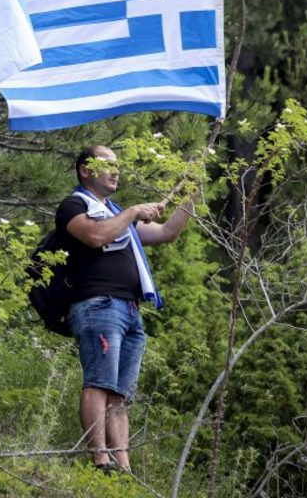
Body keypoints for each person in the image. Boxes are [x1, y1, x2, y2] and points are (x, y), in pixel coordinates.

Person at [55, 144, 194, 474]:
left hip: (130, 312)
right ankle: (100, 462)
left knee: (119, 396)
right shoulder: (74, 206)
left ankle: (124, 468)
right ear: (85, 170)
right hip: (98, 305)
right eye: (107, 165)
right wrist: (132, 212)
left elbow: (166, 232)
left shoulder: (116, 211)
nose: (116, 171)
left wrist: (190, 192)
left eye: (117, 165)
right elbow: (95, 235)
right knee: (99, 383)